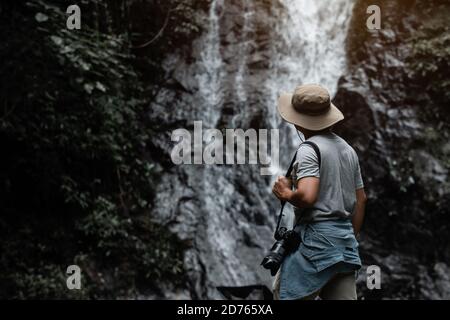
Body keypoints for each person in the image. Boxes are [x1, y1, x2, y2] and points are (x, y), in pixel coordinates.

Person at [272, 84, 367, 300]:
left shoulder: (308, 149)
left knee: (285, 295)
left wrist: (285, 193)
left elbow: (307, 195)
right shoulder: (347, 150)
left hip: (315, 245)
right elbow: (361, 200)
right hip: (345, 245)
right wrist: (345, 236)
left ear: (297, 120)